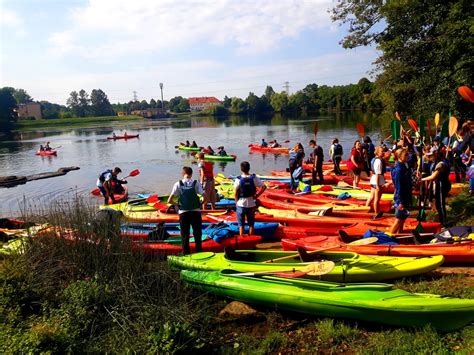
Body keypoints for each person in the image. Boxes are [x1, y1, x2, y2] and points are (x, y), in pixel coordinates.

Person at [167, 167, 205, 255]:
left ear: (182, 174)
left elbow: (169, 200)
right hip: (195, 212)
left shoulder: (178, 184)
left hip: (184, 213)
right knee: (197, 233)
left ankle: (185, 253)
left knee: (185, 234)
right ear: (191, 174)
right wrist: (200, 204)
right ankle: (199, 252)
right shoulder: (196, 183)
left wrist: (177, 205)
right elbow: (205, 197)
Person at [233, 161, 266, 236]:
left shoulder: (238, 179)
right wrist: (257, 195)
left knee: (241, 225)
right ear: (249, 168)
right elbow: (264, 187)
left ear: (241, 169)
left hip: (241, 204)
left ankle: (242, 241)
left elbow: (235, 193)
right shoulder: (254, 178)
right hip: (251, 204)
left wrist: (236, 203)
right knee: (251, 224)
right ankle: (252, 242)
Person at [422, 147, 452, 226]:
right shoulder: (437, 161)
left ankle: (444, 223)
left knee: (440, 205)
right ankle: (442, 220)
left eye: (431, 155)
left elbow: (433, 176)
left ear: (436, 155)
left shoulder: (441, 164)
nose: (430, 157)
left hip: (442, 184)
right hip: (439, 184)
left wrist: (422, 179)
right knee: (438, 204)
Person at [389, 148, 412, 234]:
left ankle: (399, 234)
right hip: (400, 197)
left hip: (406, 195)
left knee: (403, 218)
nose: (408, 156)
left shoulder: (404, 165)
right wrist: (400, 201)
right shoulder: (398, 169)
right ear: (399, 157)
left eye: (408, 154)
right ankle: (389, 237)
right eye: (405, 155)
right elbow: (398, 186)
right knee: (398, 219)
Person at [366, 146, 387, 219]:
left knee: (372, 196)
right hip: (377, 181)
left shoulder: (375, 159)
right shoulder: (378, 161)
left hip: (373, 179)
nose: (383, 152)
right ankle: (376, 213)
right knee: (377, 199)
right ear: (377, 152)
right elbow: (378, 173)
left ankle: (365, 210)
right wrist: (378, 185)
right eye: (382, 151)